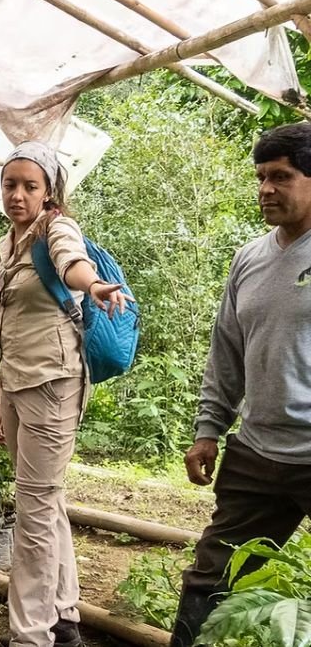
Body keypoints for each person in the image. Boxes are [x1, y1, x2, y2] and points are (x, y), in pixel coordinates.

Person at [168, 123, 311, 647]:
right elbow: (226, 352)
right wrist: (208, 430)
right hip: (256, 453)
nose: (266, 189)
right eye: (261, 177)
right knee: (211, 577)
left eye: (281, 177)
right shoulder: (250, 257)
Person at [0, 141, 128, 647]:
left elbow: (72, 263)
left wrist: (93, 286)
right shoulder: (8, 242)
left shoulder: (56, 228)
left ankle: (30, 636)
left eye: (30, 186)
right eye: (10, 185)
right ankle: (63, 617)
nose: (18, 195)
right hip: (17, 383)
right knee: (47, 501)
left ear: (48, 191)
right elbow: (8, 326)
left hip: (53, 383)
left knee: (34, 510)